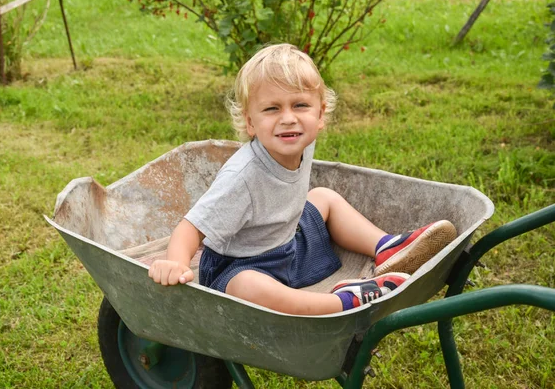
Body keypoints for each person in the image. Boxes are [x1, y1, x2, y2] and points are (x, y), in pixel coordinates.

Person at [148, 43, 457, 315]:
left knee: (323, 197)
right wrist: (175, 262)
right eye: (271, 108)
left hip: (287, 243)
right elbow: (190, 228)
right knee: (248, 287)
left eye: (300, 105)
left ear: (320, 115)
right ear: (250, 122)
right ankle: (343, 302)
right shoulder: (242, 178)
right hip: (242, 265)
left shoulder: (298, 139)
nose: (288, 118)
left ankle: (387, 246)